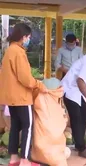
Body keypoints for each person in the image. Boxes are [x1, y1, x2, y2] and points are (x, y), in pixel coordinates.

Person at [0, 23, 47, 166]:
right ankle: (25, 160)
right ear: (23, 37)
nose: (29, 39)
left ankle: (14, 158)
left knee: (15, 126)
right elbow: (25, 79)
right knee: (28, 126)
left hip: (11, 98)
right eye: (28, 37)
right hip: (22, 98)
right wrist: (39, 85)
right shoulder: (19, 52)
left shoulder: (9, 51)